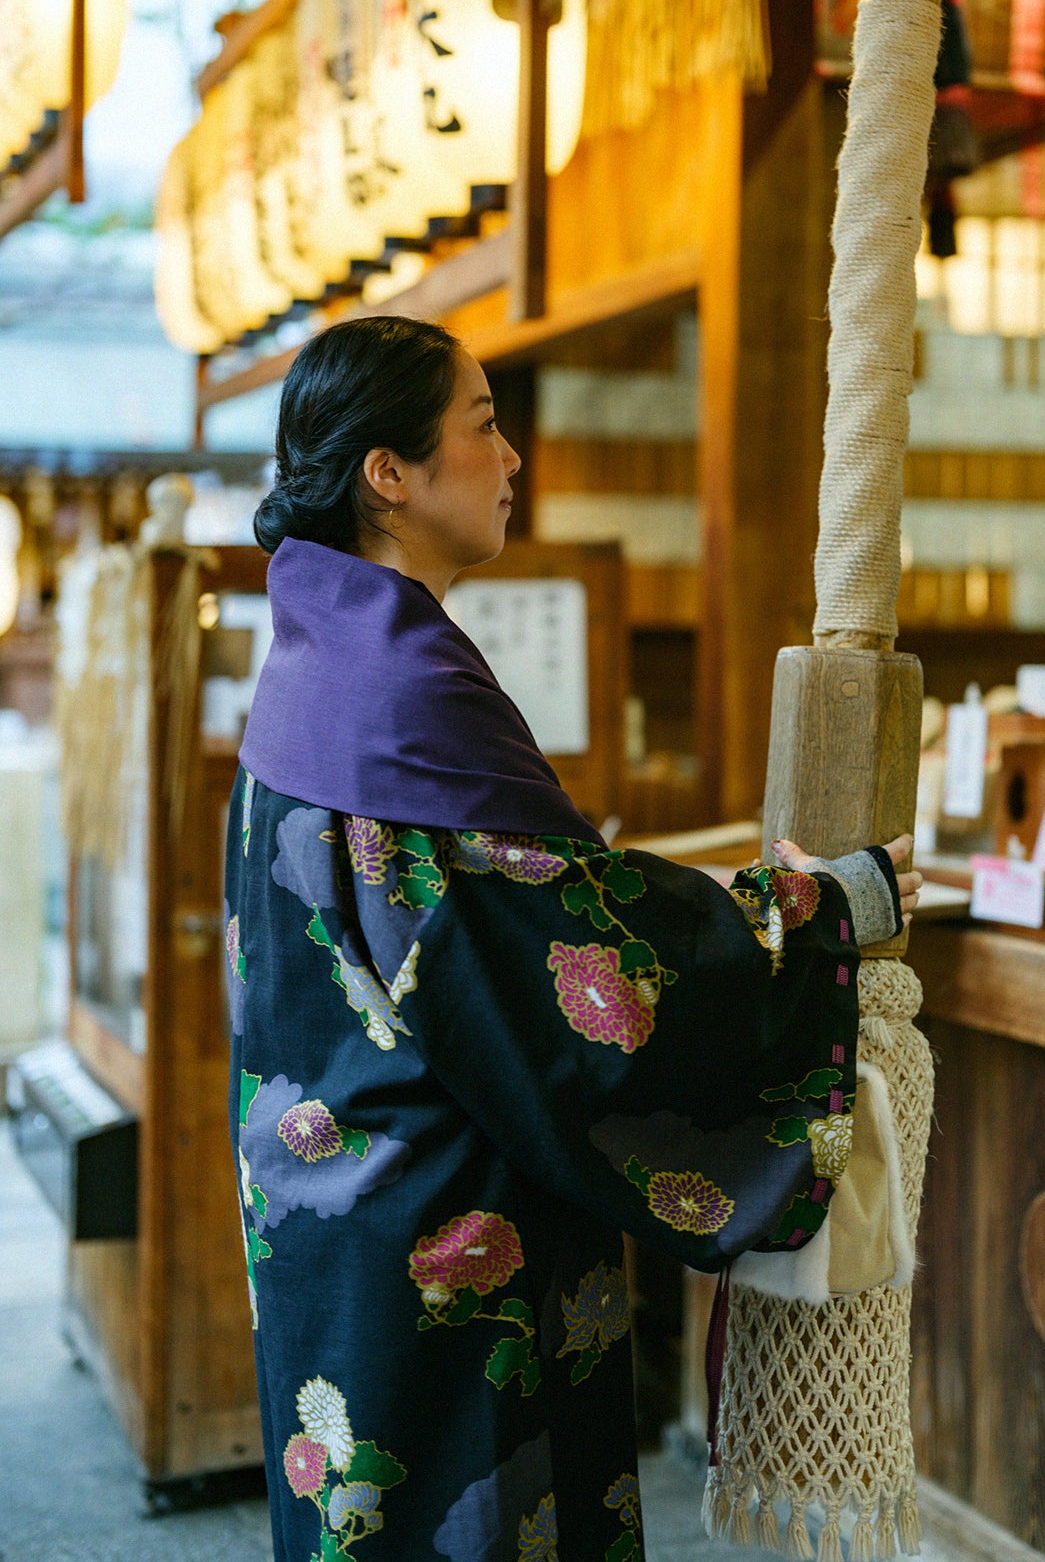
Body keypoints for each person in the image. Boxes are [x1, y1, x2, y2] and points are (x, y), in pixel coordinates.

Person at [229, 314, 920, 1562]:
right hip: (444, 1239)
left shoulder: (322, 648)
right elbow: (574, 958)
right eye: (484, 425)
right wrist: (813, 912)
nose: (514, 459)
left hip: (337, 1202)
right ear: (389, 474)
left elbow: (510, 905)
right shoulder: (400, 689)